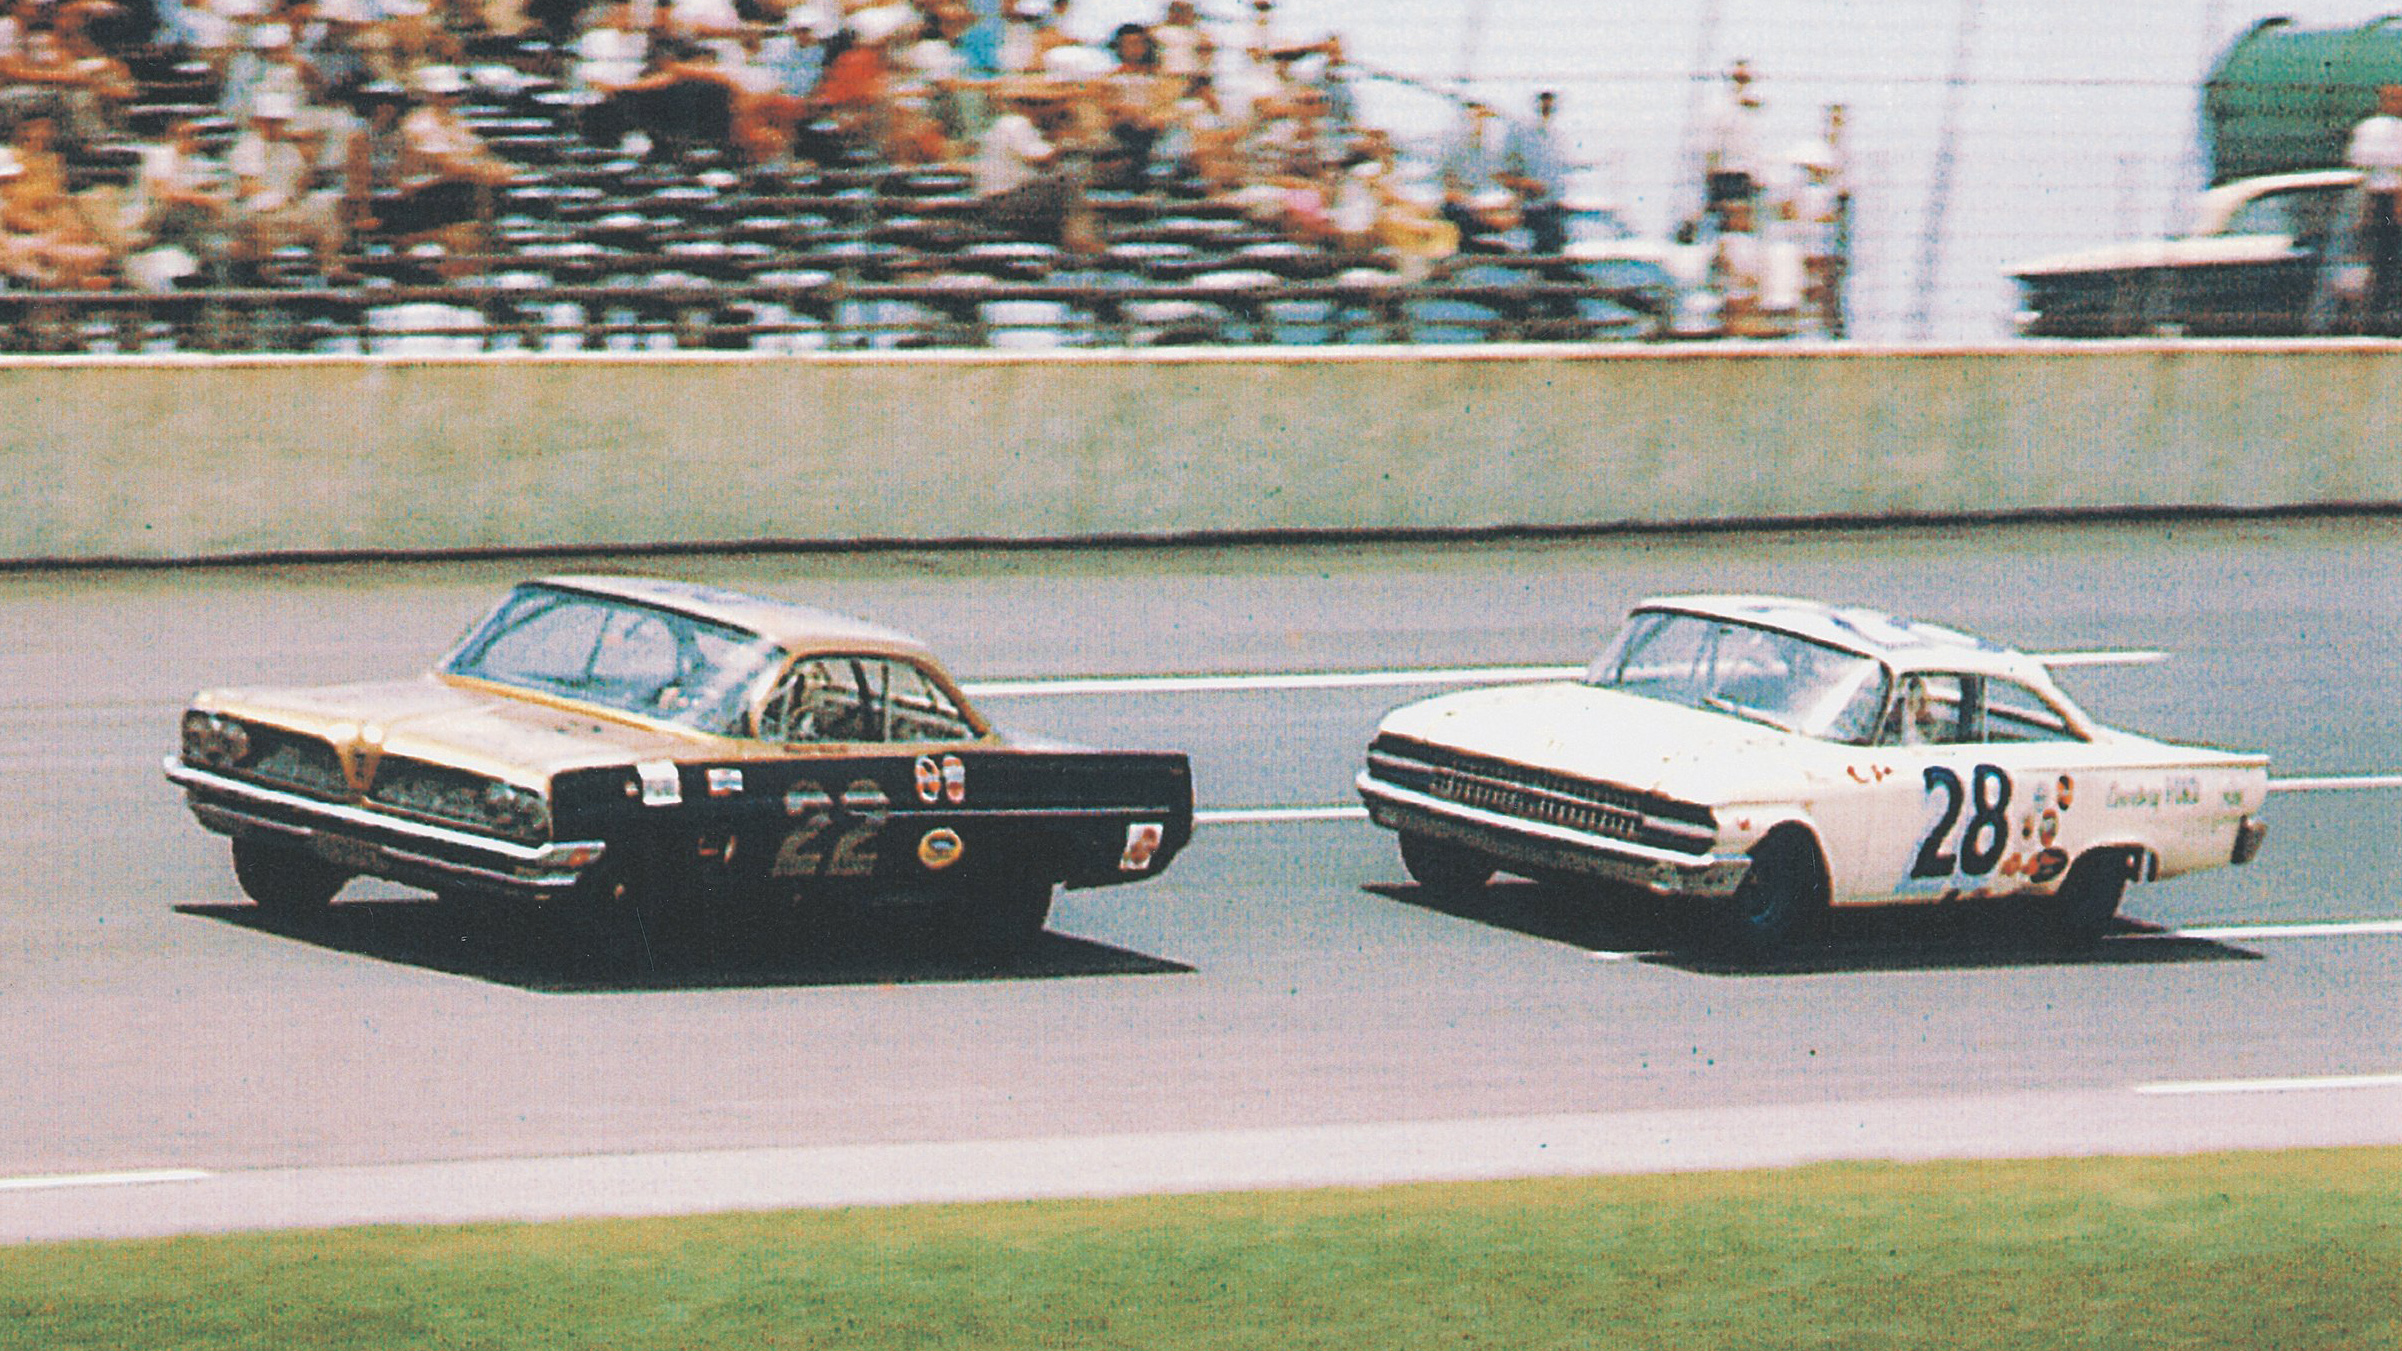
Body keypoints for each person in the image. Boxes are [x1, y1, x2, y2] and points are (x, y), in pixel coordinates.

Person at [2346, 83, 2402, 336]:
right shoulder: (2371, 128)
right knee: (2378, 262)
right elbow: (2360, 159)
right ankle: (2372, 321)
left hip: (2394, 201)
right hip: (2378, 201)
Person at [1499, 88, 1569, 255]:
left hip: (1554, 208)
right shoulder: (1519, 132)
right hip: (1530, 209)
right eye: (1544, 100)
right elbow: (1501, 174)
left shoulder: (1555, 135)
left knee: (1556, 244)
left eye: (1550, 101)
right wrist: (1525, 185)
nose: (1548, 105)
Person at [1699, 58, 1763, 224]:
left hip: (1747, 174)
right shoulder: (1720, 107)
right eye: (1737, 78)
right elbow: (1712, 142)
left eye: (1745, 79)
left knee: (1743, 222)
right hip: (1725, 172)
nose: (1741, 83)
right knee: (1723, 220)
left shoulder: (1755, 111)